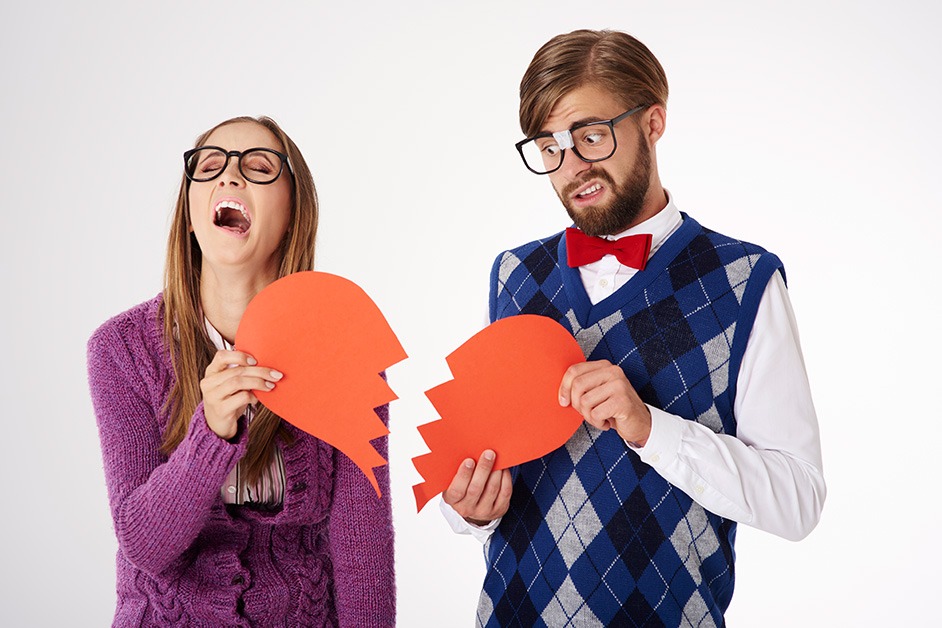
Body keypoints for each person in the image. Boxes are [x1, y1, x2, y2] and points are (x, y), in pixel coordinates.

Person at [442, 30, 826, 626]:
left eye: (591, 136)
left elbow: (798, 500)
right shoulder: (515, 276)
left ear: (653, 122)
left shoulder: (744, 279)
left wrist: (650, 428)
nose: (573, 168)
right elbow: (485, 460)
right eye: (550, 148)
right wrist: (470, 511)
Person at [87, 116, 395, 626]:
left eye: (258, 166)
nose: (229, 177)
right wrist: (210, 433)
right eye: (210, 167)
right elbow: (143, 545)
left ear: (294, 214)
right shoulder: (120, 349)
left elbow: (362, 544)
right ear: (189, 216)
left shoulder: (346, 346)